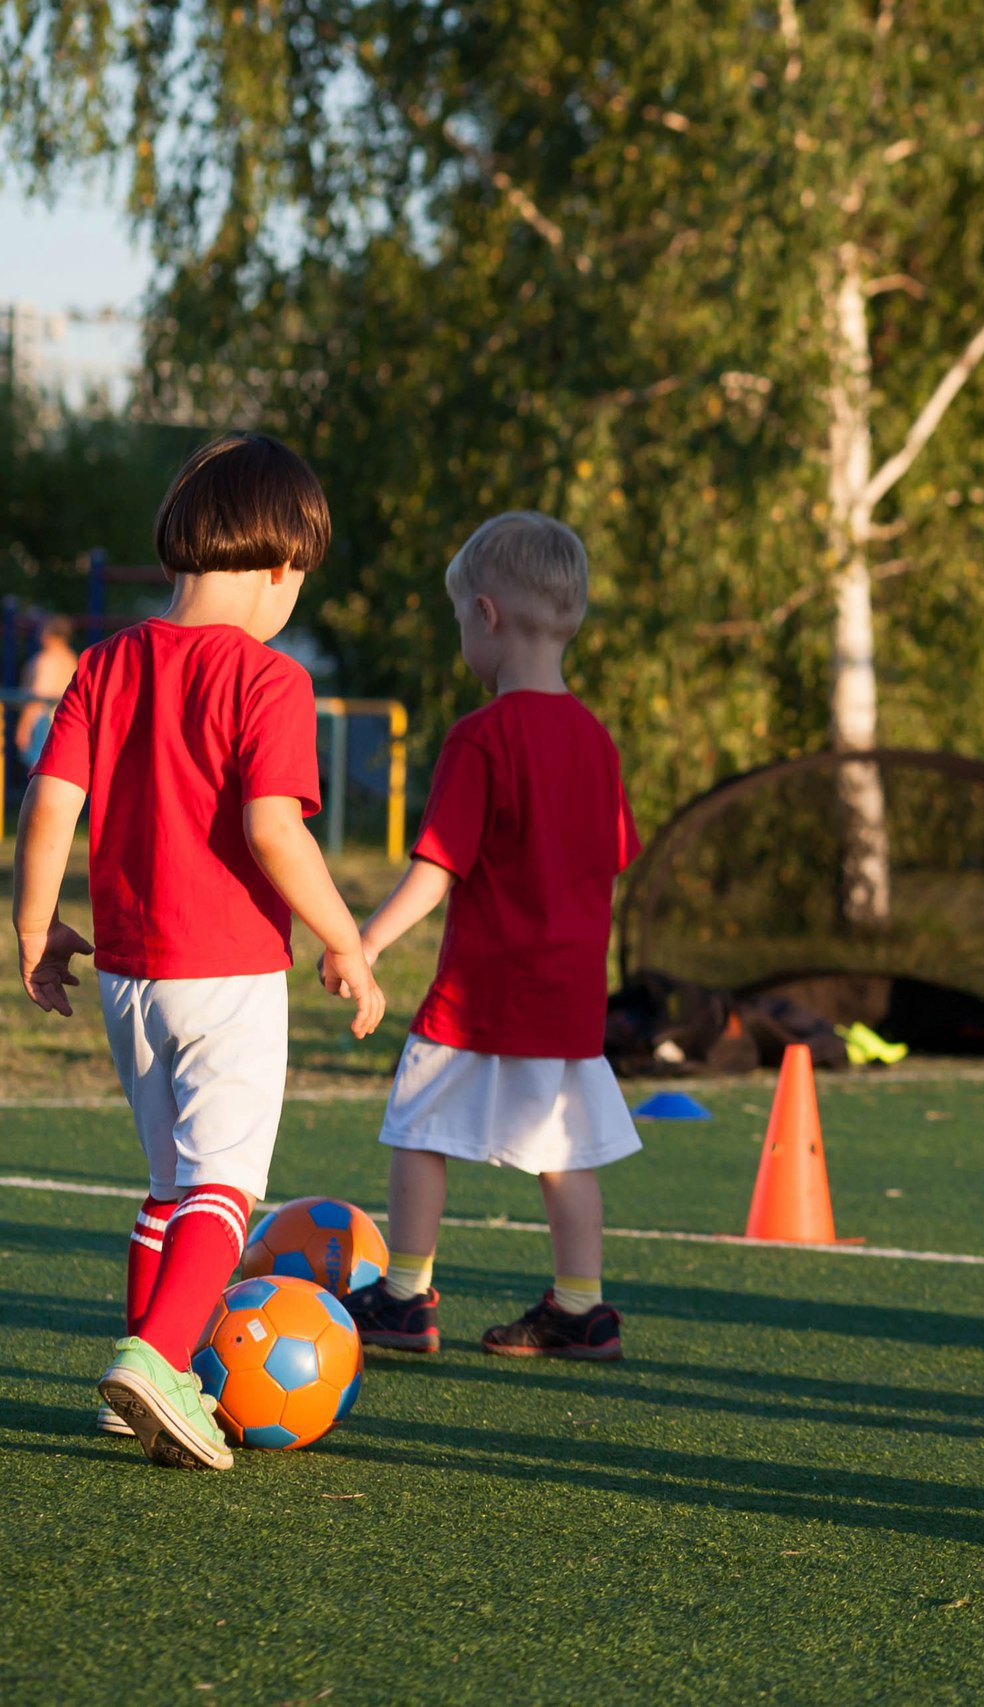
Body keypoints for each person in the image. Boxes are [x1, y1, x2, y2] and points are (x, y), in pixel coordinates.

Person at [12, 433, 386, 1469]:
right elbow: (275, 829)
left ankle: (137, 1374)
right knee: (225, 1185)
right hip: (225, 972)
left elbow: (50, 805)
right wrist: (345, 938)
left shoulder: (105, 663)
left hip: (129, 974)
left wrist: (34, 928)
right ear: (278, 565)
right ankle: (159, 1360)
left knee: (170, 1180)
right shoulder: (268, 681)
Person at [342, 512, 643, 1361]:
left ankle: (404, 1295)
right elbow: (608, 862)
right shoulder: (597, 742)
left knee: (417, 1128)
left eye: (456, 624)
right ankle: (581, 1308)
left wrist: (362, 943)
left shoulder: (481, 737)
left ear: (486, 615)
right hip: (571, 995)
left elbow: (436, 871)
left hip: (480, 995)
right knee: (567, 1152)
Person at [15, 613, 78, 767]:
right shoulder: (71, 658)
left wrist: (23, 727)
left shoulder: (46, 660)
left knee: (37, 772)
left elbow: (38, 695)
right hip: (65, 720)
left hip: (43, 722)